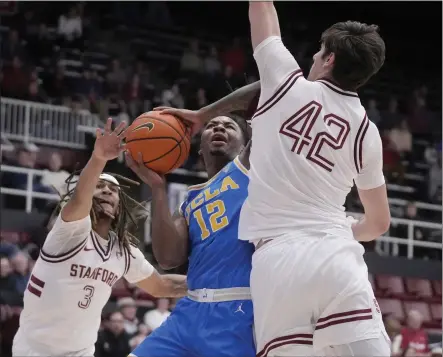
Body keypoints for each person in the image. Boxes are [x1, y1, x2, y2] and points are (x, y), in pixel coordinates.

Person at [159, 2, 391, 356]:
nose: (313, 58)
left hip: (277, 262)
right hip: (335, 253)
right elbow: (378, 223)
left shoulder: (284, 83)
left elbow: (262, 8)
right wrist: (340, 229)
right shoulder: (367, 133)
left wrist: (202, 113)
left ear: (329, 60)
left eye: (318, 52)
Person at [12, 118, 187, 357]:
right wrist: (99, 159)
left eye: (114, 190)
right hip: (34, 350)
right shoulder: (69, 231)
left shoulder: (123, 251)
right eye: (100, 186)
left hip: (81, 352)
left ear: (119, 208)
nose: (107, 191)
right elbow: (79, 201)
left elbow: (161, 286)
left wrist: (216, 283)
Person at [125, 114, 255, 357]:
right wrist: (157, 188)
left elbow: (267, 88)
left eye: (229, 126)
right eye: (212, 125)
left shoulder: (248, 169)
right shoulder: (189, 201)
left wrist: (202, 114)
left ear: (245, 144)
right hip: (188, 311)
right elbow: (167, 258)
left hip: (236, 310)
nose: (219, 127)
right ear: (199, 150)